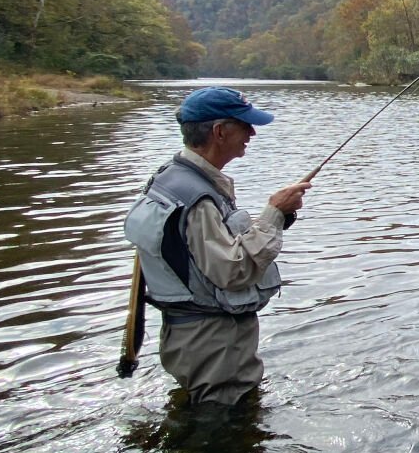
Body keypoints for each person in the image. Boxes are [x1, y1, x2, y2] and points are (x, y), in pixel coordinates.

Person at [123, 87, 310, 406]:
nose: (252, 132)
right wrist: (273, 213)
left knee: (202, 419)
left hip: (189, 337)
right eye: (244, 125)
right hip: (214, 345)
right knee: (225, 432)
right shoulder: (198, 199)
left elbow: (200, 254)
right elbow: (231, 271)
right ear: (219, 132)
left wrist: (278, 219)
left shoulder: (169, 178)